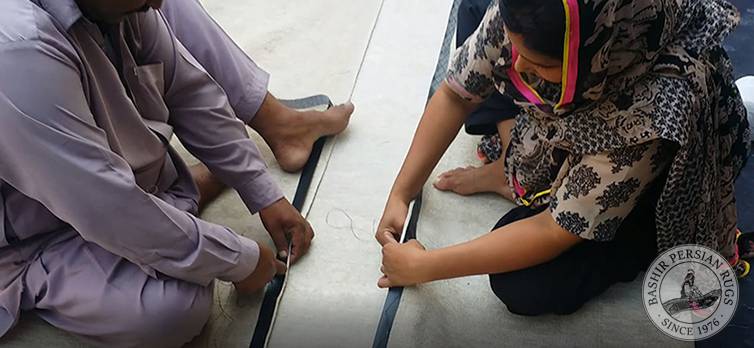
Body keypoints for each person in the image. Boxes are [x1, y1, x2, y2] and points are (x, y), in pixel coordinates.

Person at [0, 0, 348, 345]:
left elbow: (190, 91)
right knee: (171, 309)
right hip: (31, 236)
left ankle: (163, 205)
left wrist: (262, 191)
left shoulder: (113, 6)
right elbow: (109, 209)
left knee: (172, 249)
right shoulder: (19, 48)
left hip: (92, 190)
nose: (158, 2)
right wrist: (240, 260)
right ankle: (35, 275)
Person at [376, 0, 750, 316]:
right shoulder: (543, 15)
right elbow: (456, 94)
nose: (519, 67)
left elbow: (554, 230)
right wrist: (401, 193)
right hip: (579, 80)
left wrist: (425, 266)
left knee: (524, 284)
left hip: (643, 170)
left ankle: (637, 240)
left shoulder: (654, 110)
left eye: (540, 64)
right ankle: (510, 161)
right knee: (477, 9)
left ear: (595, 52)